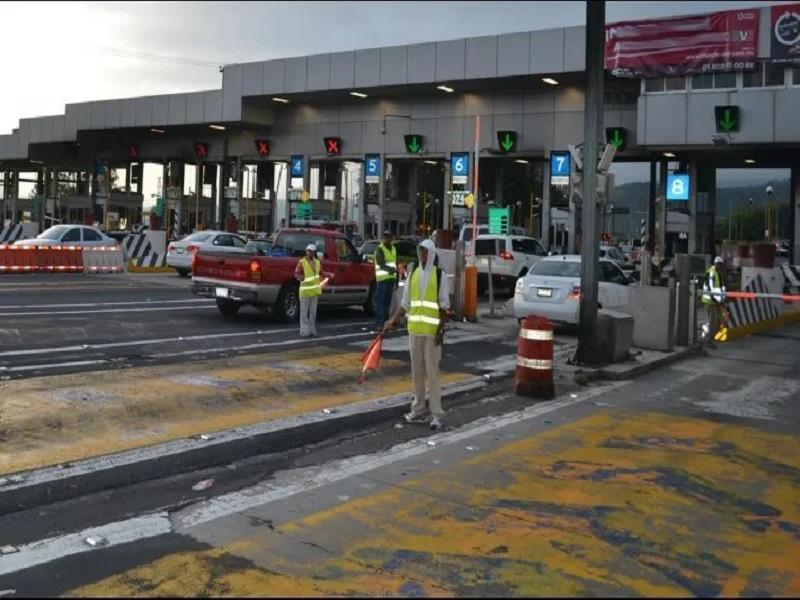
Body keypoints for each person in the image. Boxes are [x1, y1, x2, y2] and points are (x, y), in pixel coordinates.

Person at [382, 239, 450, 430]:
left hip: (431, 333)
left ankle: (436, 414)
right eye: (420, 252)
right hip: (415, 331)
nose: (422, 255)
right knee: (417, 373)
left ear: (432, 254)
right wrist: (392, 321)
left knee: (433, 374)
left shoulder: (439, 275)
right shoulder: (413, 275)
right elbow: (405, 304)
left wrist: (441, 330)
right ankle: (418, 409)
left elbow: (445, 306)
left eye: (426, 252)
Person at [295, 243, 333, 338]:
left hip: (314, 291)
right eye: (309, 251)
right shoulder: (302, 262)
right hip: (304, 292)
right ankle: (304, 331)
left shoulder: (317, 262)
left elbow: (321, 272)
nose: (310, 253)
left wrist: (329, 274)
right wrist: (301, 278)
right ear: (306, 251)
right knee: (304, 313)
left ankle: (312, 330)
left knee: (313, 313)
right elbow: (296, 273)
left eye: (312, 251)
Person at [374, 230, 398, 331]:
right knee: (381, 304)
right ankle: (379, 324)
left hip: (390, 280)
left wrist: (396, 280)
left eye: (388, 237)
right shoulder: (380, 249)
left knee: (387, 304)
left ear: (391, 238)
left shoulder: (393, 249)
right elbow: (381, 264)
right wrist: (393, 270)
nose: (386, 239)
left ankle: (386, 324)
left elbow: (394, 264)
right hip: (382, 280)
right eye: (385, 237)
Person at [702, 256, 727, 347]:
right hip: (710, 302)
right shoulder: (711, 273)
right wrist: (716, 301)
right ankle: (708, 341)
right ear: (716, 264)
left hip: (716, 302)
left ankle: (707, 338)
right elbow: (710, 289)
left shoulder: (717, 273)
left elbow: (719, 289)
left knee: (719, 321)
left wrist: (721, 300)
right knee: (713, 322)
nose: (721, 267)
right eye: (720, 265)